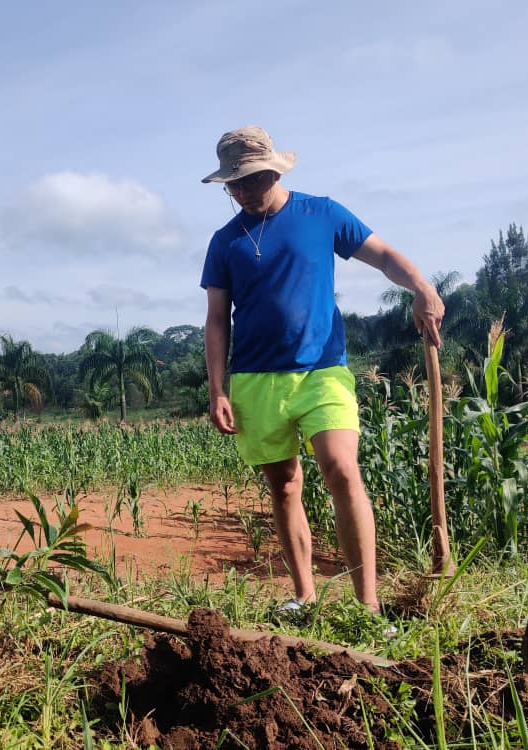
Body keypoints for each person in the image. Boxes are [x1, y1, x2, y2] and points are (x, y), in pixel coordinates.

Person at [199, 126, 444, 615]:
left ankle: (367, 606)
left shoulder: (322, 213)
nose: (242, 193)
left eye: (249, 180)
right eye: (234, 186)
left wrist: (421, 285)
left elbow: (385, 257)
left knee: (342, 470)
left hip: (322, 371)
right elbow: (216, 320)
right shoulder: (224, 242)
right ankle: (304, 596)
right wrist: (217, 388)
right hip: (254, 380)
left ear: (273, 170)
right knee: (284, 485)